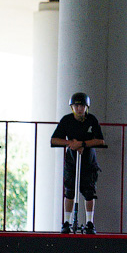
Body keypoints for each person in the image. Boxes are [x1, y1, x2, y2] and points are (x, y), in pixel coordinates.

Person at [50, 92, 106, 234]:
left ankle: (89, 222)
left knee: (89, 192)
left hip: (88, 160)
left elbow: (100, 140)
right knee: (69, 191)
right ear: (72, 107)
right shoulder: (67, 120)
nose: (79, 108)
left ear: (86, 107)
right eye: (76, 106)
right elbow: (54, 140)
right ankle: (67, 222)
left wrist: (82, 144)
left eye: (82, 106)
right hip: (72, 160)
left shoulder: (91, 120)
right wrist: (71, 143)